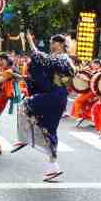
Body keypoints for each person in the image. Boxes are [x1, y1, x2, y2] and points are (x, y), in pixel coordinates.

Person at [12, 32, 75, 182]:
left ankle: (23, 137)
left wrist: (31, 43)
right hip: (57, 97)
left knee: (25, 105)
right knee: (49, 130)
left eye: (52, 43)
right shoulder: (59, 59)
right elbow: (43, 77)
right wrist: (22, 78)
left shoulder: (63, 58)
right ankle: (53, 166)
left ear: (59, 44)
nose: (51, 45)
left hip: (55, 95)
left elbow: (43, 60)